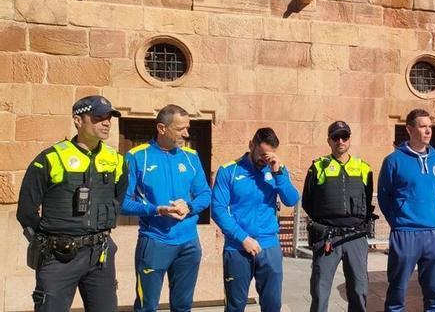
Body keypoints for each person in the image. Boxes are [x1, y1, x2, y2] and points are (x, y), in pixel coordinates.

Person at [17, 95, 127, 312]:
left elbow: (117, 200)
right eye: (98, 117)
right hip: (59, 256)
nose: (106, 122)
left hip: (100, 255)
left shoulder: (116, 160)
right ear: (78, 120)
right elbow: (26, 211)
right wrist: (49, 241)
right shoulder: (50, 158)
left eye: (108, 117)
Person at [121, 104, 211, 312]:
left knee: (183, 306)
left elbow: (205, 194)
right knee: (146, 306)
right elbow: (122, 203)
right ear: (162, 128)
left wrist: (190, 207)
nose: (187, 134)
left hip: (189, 243)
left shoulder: (191, 156)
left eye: (188, 127)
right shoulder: (136, 156)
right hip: (154, 242)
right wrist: (155, 209)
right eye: (181, 129)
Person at [211, 127, 300, 312]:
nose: (264, 159)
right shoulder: (229, 171)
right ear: (251, 145)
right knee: (235, 306)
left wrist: (278, 173)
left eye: (269, 155)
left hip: (269, 247)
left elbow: (291, 200)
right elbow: (218, 210)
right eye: (261, 154)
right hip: (237, 247)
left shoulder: (277, 170)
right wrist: (243, 238)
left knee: (272, 305)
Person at [302, 121, 375, 312]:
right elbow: (307, 202)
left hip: (356, 237)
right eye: (335, 137)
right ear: (329, 141)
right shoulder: (318, 167)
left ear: (349, 140)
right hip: (327, 237)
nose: (340, 141)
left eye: (344, 137)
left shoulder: (364, 168)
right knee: (320, 291)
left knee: (359, 290)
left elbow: (367, 201)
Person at [378, 109, 435, 312]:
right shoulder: (393, 161)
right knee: (397, 294)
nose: (428, 131)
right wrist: (399, 221)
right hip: (405, 233)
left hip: (433, 234)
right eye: (423, 126)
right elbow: (384, 197)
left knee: (434, 294)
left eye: (430, 126)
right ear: (409, 129)